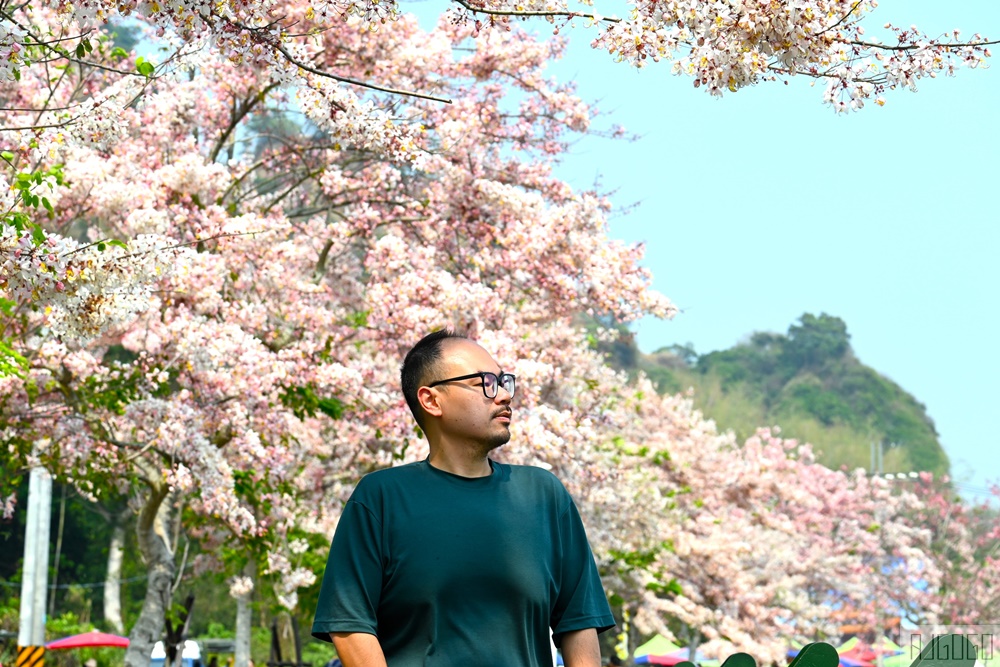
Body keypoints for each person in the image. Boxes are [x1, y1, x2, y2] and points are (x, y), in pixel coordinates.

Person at [312, 330, 615, 667]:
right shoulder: (381, 498)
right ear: (431, 400)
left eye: (504, 381)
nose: (502, 395)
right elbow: (350, 625)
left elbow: (579, 623)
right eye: (484, 382)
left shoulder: (544, 496)